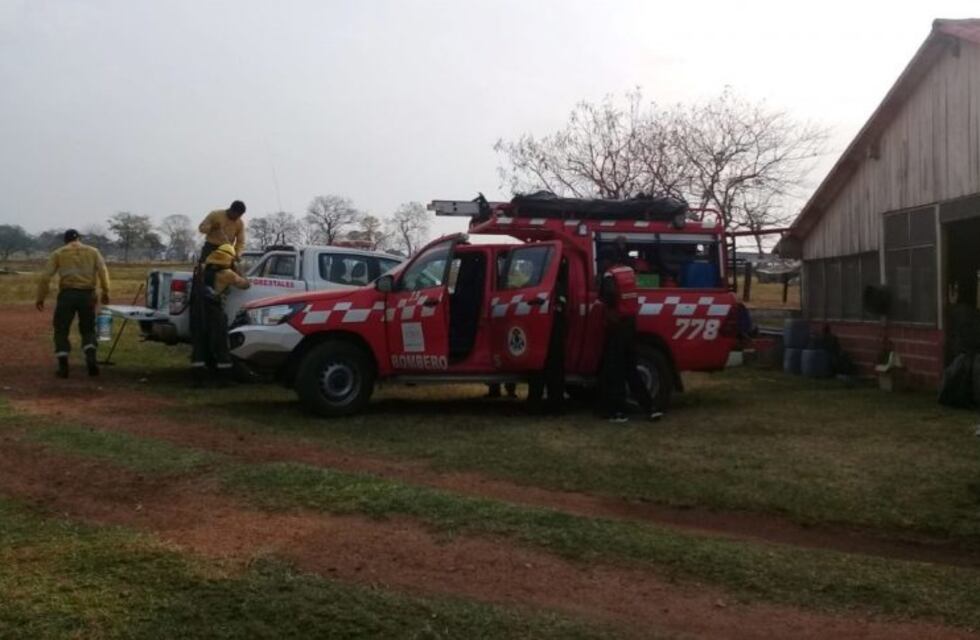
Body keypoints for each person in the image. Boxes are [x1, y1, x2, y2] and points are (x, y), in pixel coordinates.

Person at [598, 247, 663, 423]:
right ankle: (650, 408)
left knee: (615, 369)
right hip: (630, 324)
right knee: (631, 368)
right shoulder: (628, 272)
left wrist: (602, 301)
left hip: (617, 325)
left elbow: (610, 295)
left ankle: (618, 412)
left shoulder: (609, 274)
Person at [35, 229, 111, 378]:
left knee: (61, 329)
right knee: (88, 329)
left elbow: (45, 277)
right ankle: (91, 358)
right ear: (80, 239)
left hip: (67, 295)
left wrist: (40, 297)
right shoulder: (93, 251)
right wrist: (106, 292)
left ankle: (63, 367)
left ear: (65, 240)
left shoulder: (59, 253)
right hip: (88, 295)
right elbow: (103, 271)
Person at [190, 243, 251, 386]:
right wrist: (238, 270)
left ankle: (199, 379)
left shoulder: (203, 270)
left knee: (200, 343)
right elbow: (246, 284)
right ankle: (224, 379)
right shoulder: (227, 274)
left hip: (197, 311)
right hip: (214, 312)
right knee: (220, 344)